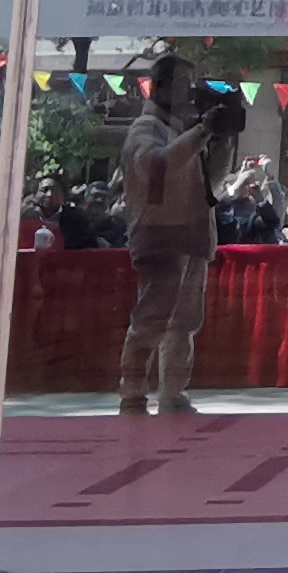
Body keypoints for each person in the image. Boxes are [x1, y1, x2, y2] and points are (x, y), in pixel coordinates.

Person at [117, 54, 228, 418]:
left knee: (184, 325)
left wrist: (222, 139)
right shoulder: (145, 128)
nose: (189, 93)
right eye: (183, 84)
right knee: (151, 321)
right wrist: (202, 132)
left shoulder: (183, 130)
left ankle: (173, 393)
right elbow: (156, 166)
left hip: (191, 237)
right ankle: (133, 395)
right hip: (160, 237)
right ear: (161, 87)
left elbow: (211, 186)